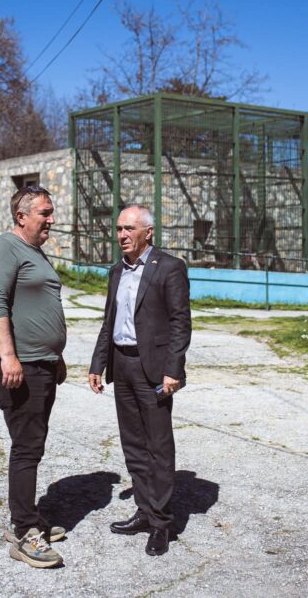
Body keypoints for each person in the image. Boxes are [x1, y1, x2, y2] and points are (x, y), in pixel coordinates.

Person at [88, 205, 192, 556]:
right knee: (133, 444)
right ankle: (145, 511)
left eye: (129, 228)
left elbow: (180, 323)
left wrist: (173, 369)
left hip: (155, 370)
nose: (122, 235)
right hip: (122, 364)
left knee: (158, 446)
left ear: (148, 232)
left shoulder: (170, 267)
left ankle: (162, 523)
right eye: (119, 228)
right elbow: (109, 321)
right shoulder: (117, 270)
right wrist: (98, 364)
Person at [0, 185, 68, 568]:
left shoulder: (34, 252)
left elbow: (38, 307)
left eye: (51, 212)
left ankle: (27, 516)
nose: (51, 219)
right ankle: (24, 531)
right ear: (21, 216)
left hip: (41, 363)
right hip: (21, 367)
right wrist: (9, 357)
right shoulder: (4, 249)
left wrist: (56, 356)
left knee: (33, 442)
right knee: (27, 446)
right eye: (45, 213)